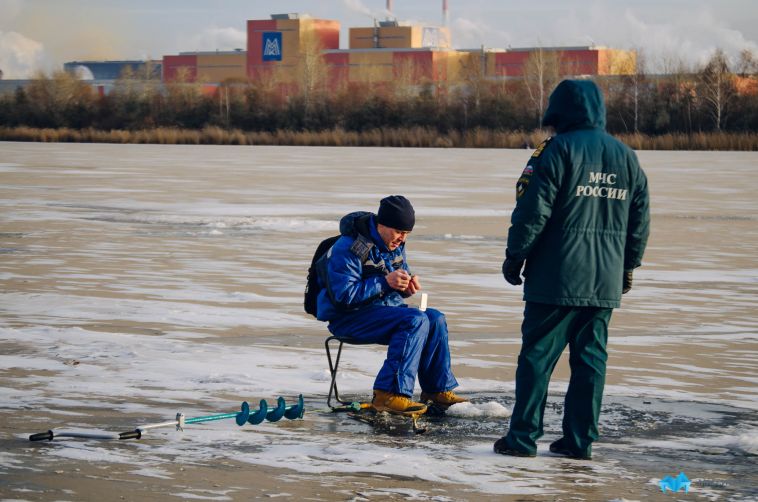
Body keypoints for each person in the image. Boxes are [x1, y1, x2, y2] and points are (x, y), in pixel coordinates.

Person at [493, 80, 650, 460]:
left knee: (537, 359)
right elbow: (640, 221)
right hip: (603, 282)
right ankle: (579, 441)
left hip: (555, 279)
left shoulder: (557, 150)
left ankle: (523, 438)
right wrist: (627, 267)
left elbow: (533, 212)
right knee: (590, 363)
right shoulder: (626, 156)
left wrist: (515, 256)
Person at [316, 195, 467, 415]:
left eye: (406, 234)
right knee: (414, 320)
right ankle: (388, 394)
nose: (402, 238)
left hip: (381, 313)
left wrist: (404, 287)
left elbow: (391, 284)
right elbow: (344, 296)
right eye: (398, 232)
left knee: (435, 318)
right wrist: (385, 282)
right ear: (381, 225)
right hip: (348, 319)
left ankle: (436, 390)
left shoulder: (394, 245)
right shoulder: (348, 247)